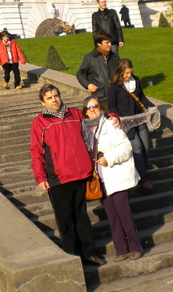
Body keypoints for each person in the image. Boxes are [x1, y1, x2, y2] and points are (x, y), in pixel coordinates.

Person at [30, 84, 106, 266]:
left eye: (56, 95)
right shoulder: (40, 122)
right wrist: (40, 177)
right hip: (58, 178)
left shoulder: (75, 114)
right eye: (49, 97)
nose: (54, 99)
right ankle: (73, 257)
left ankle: (89, 252)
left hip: (80, 174)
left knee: (81, 217)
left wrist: (116, 118)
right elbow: (36, 151)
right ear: (42, 102)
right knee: (65, 220)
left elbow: (100, 118)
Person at [82, 97, 142, 262]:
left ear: (100, 108)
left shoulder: (110, 124)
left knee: (124, 214)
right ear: (85, 111)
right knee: (112, 216)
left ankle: (135, 246)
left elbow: (126, 147)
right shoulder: (85, 130)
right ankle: (121, 249)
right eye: (88, 107)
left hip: (117, 175)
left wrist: (108, 158)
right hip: (101, 180)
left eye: (95, 105)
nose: (92, 109)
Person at [107, 59, 155, 191]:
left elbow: (142, 97)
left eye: (130, 72)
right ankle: (144, 178)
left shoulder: (136, 81)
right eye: (126, 73)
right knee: (137, 147)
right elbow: (112, 107)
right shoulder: (113, 87)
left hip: (139, 119)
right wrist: (118, 118)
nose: (129, 75)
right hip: (126, 123)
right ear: (120, 72)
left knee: (145, 146)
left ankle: (142, 172)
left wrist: (151, 107)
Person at [76, 31, 118, 113]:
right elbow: (80, 74)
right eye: (107, 42)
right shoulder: (90, 57)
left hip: (117, 95)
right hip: (101, 97)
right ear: (99, 44)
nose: (110, 44)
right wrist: (88, 85)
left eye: (110, 42)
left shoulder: (114, 57)